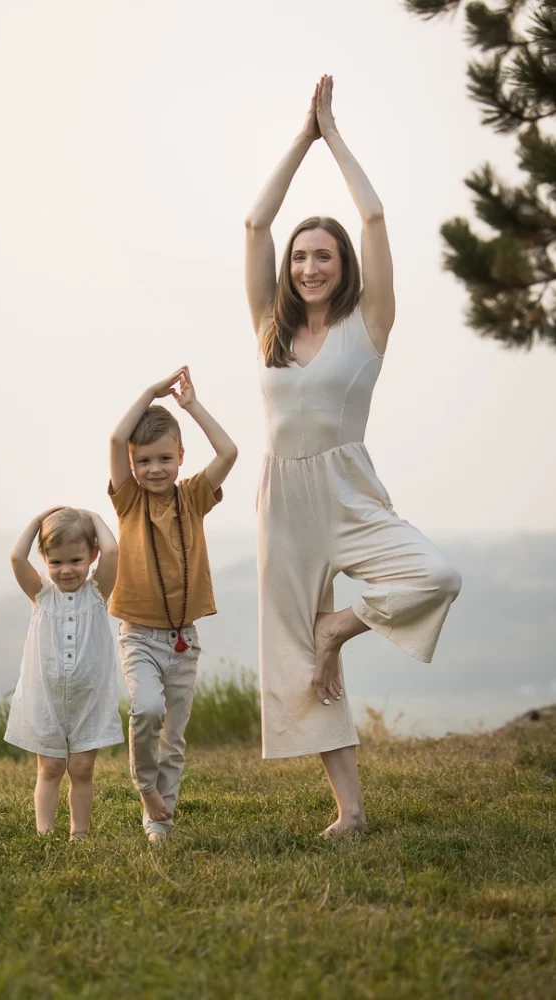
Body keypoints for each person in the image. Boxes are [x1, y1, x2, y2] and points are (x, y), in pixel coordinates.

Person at [244, 75, 461, 836]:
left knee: (435, 574)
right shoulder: (268, 327)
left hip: (347, 488)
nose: (308, 266)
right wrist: (295, 139)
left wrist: (330, 135)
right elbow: (253, 222)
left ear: (343, 266)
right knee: (298, 660)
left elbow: (370, 214)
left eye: (323, 257)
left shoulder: (368, 325)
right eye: (301, 256)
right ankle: (350, 811)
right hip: (281, 503)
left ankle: (339, 627)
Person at [109, 366, 237, 843]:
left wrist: (190, 405)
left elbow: (229, 451)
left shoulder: (195, 497)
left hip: (184, 638)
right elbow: (116, 436)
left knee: (174, 738)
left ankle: (160, 822)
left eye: (164, 458)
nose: (154, 469)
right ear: (132, 463)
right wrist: (149, 392)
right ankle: (146, 791)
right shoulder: (127, 501)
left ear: (181, 457)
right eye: (143, 461)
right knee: (145, 710)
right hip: (138, 634)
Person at [5, 507, 124, 839]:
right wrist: (36, 520)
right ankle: (44, 834)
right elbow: (16, 558)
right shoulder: (42, 595)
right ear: (44, 560)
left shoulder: (97, 593)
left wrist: (94, 516)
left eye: (76, 560)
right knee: (51, 767)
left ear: (92, 556)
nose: (66, 570)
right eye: (55, 562)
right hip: (47, 699)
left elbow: (113, 550)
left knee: (82, 768)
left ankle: (78, 835)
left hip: (89, 699)